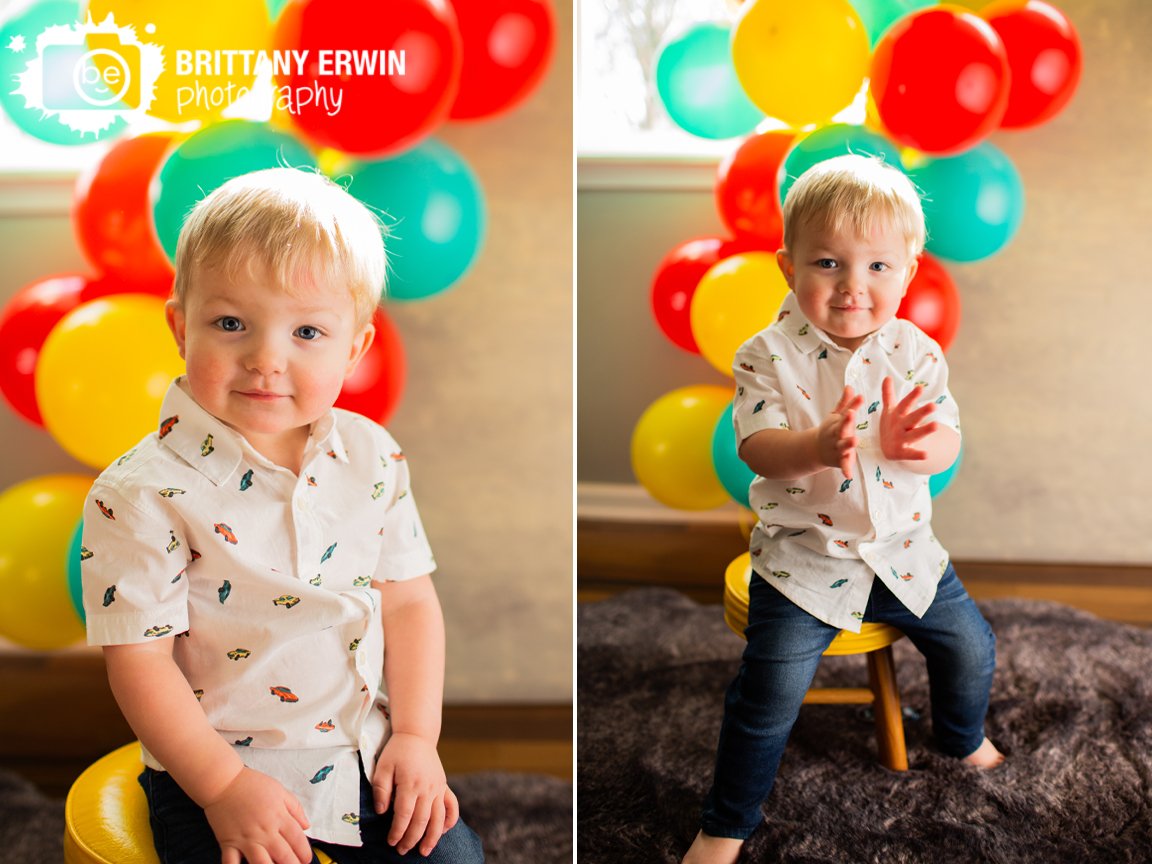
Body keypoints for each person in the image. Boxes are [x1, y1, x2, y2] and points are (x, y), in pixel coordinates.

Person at [80, 167, 484, 864]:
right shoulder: (139, 493)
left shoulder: (373, 456)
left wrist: (417, 737)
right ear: (180, 327)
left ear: (354, 349)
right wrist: (223, 786)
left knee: (455, 860)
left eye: (306, 331)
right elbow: (140, 663)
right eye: (231, 323)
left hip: (360, 748)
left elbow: (410, 603)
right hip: (214, 763)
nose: (266, 358)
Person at [682, 154, 1002, 864]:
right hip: (805, 562)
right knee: (768, 692)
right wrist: (822, 444)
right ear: (786, 264)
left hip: (903, 553)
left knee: (973, 647)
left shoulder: (915, 352)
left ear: (909, 270)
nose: (854, 287)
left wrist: (915, 448)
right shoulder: (765, 355)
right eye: (828, 263)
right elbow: (759, 450)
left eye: (878, 268)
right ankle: (726, 821)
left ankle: (958, 735)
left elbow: (947, 439)